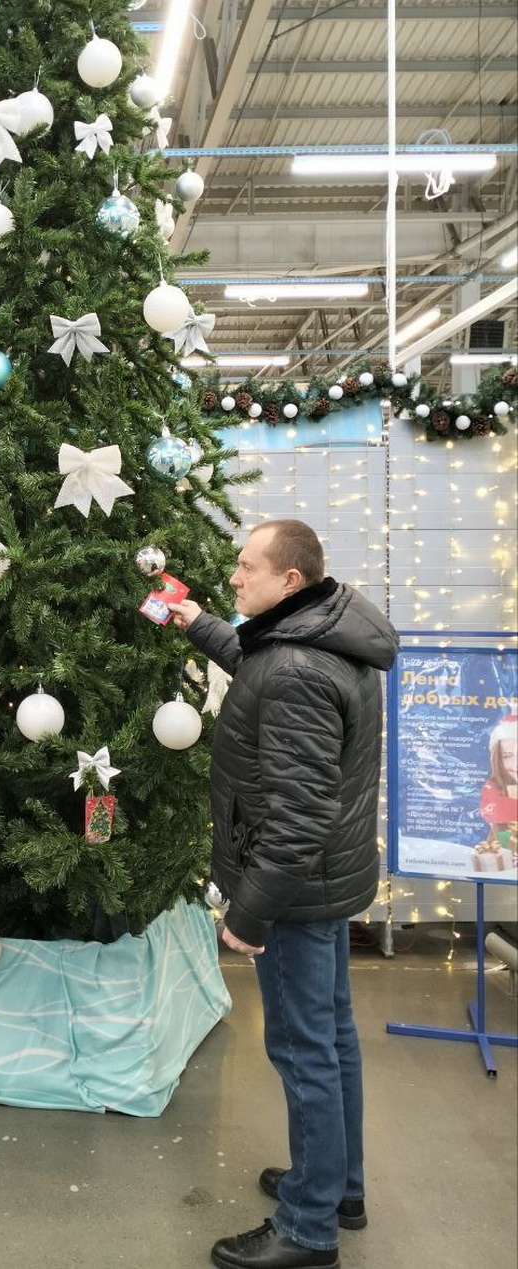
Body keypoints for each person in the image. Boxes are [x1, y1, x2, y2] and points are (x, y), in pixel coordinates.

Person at [168, 521, 398, 1269]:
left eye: (245, 566)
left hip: (296, 891)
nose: (234, 577)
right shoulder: (318, 636)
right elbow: (259, 664)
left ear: (289, 580)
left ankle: (307, 1227)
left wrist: (250, 909)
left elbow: (298, 815)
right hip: (328, 882)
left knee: (304, 1050)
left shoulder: (299, 665)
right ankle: (338, 1187)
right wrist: (195, 620)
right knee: (331, 1039)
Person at [478, 713, 518, 863]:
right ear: (498, 759)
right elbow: (492, 810)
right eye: (508, 756)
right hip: (505, 849)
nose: (515, 764)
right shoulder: (493, 786)